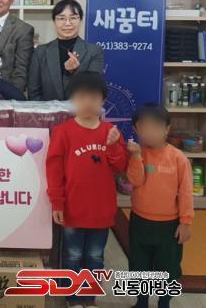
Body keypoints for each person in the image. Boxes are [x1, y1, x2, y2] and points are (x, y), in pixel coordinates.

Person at [46, 71, 128, 308]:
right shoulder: (63, 132)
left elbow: (120, 167)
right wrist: (57, 202)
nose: (87, 102)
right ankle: (72, 299)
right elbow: (54, 170)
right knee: (72, 256)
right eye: (81, 97)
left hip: (101, 211)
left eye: (93, 97)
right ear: (72, 100)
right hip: (72, 209)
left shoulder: (110, 132)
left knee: (95, 257)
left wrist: (113, 146)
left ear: (103, 100)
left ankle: (89, 298)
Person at [126, 104, 193, 308]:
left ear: (167, 129)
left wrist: (186, 222)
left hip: (169, 226)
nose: (150, 132)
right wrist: (136, 157)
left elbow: (186, 192)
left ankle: (164, 303)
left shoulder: (178, 158)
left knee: (168, 268)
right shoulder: (137, 154)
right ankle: (142, 302)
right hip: (140, 221)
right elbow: (135, 181)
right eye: (144, 127)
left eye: (156, 127)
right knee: (139, 265)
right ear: (136, 129)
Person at [28, 0, 104, 101]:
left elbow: (93, 89)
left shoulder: (94, 51)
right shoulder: (40, 52)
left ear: (81, 21)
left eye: (73, 18)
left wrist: (72, 72)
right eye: (61, 18)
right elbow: (34, 93)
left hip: (80, 110)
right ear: (54, 21)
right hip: (47, 110)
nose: (67, 23)